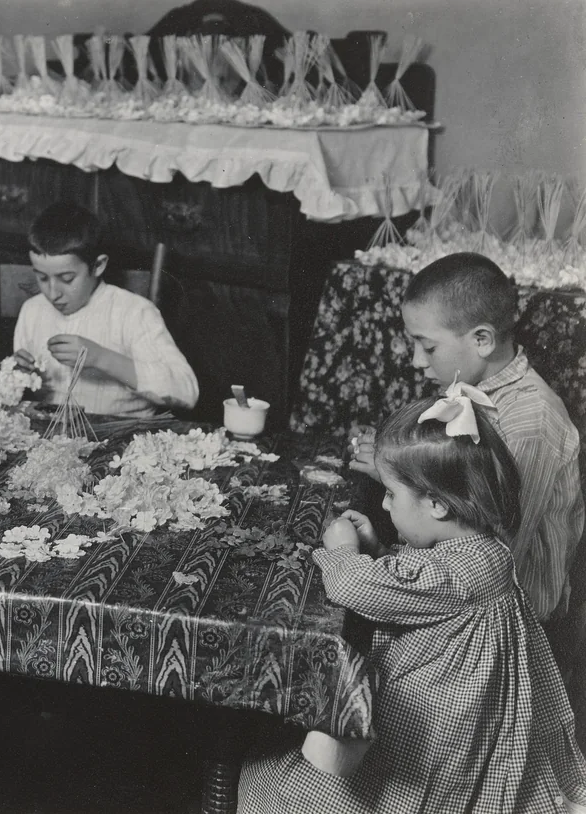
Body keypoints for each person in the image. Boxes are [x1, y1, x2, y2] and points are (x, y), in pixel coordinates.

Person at [240, 393, 586, 814]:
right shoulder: (484, 550)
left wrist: (345, 552)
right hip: (463, 712)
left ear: (437, 504)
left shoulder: (455, 575)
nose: (384, 504)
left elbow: (354, 587)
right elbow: (419, 582)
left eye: (390, 494)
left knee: (273, 786)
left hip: (434, 726)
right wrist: (380, 550)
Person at [349, 252, 584, 622]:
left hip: (512, 621)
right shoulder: (468, 389)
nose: (416, 361)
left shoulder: (530, 420)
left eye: (428, 347)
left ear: (483, 340)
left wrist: (399, 481)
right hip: (459, 585)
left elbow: (496, 551)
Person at [11, 201, 198, 417]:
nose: (53, 293)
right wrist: (17, 375)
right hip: (48, 439)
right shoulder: (32, 310)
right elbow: (22, 398)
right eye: (42, 277)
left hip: (121, 437)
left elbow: (186, 392)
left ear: (98, 265)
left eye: (67, 278)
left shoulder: (134, 312)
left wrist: (101, 358)